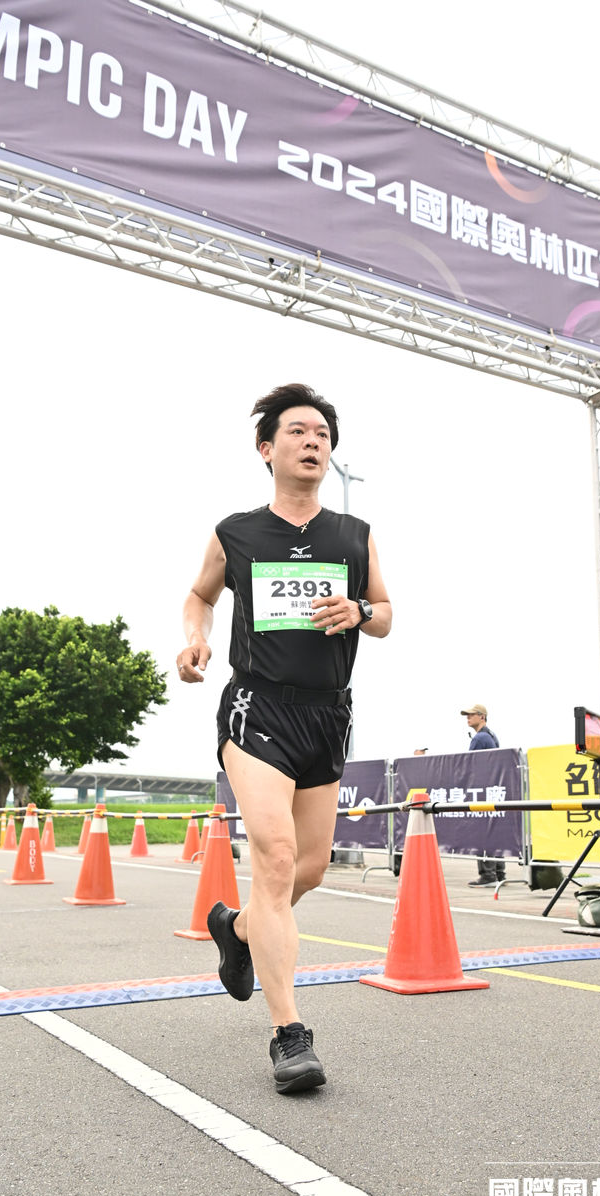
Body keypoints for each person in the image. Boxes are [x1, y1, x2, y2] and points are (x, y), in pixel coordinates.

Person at [177, 383, 392, 1094]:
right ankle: (288, 1034)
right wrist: (195, 640)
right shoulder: (237, 533)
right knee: (273, 858)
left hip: (327, 714)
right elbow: (200, 595)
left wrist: (359, 610)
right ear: (266, 449)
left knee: (309, 868)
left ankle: (238, 930)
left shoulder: (353, 535)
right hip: (256, 707)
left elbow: (386, 613)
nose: (313, 442)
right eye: (298, 431)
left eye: (322, 434)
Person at [460, 703, 505, 886]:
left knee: (483, 833)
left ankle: (488, 875)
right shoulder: (492, 736)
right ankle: (500, 874)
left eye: (471, 715)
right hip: (492, 790)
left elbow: (469, 765)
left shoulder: (479, 738)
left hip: (482, 790)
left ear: (482, 716)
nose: (468, 718)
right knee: (493, 832)